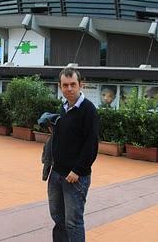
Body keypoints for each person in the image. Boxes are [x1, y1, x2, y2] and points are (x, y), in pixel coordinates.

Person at [48, 67, 99, 242]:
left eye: (73, 84)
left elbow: (91, 145)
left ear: (80, 85)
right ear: (60, 86)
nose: (69, 89)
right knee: (58, 218)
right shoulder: (64, 107)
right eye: (65, 85)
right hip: (57, 173)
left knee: (73, 222)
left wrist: (77, 170)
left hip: (75, 177)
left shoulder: (88, 110)